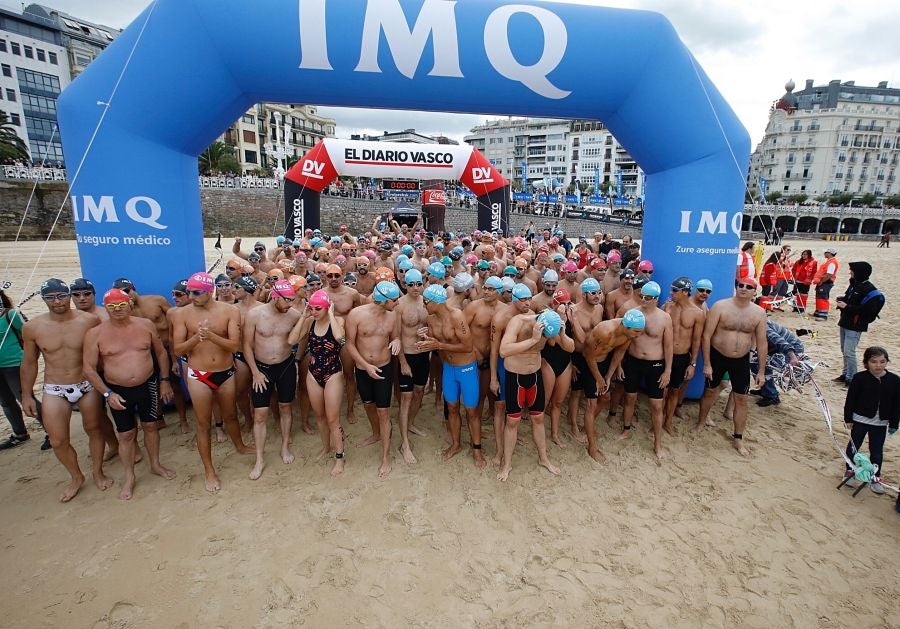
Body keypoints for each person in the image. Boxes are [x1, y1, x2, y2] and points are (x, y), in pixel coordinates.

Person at [20, 279, 118, 501]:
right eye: (51, 298)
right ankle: (76, 477)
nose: (57, 302)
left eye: (62, 296)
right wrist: (26, 394)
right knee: (57, 440)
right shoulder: (32, 327)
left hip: (85, 384)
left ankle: (97, 471)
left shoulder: (88, 321)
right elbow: (29, 362)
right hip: (55, 387)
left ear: (69, 296)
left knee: (93, 428)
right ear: (43, 299)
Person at [83, 289, 176, 500]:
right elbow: (88, 368)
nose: (117, 310)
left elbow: (160, 353)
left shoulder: (145, 326)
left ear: (130, 305)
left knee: (151, 426)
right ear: (105, 308)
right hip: (117, 390)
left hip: (148, 384)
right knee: (125, 434)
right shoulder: (95, 333)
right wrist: (107, 394)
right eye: (112, 307)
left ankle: (155, 464)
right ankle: (129, 476)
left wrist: (164, 381)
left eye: (121, 305)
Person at [171, 272, 252, 493]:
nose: (191, 296)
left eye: (196, 292)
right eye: (189, 292)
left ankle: (240, 446)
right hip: (199, 374)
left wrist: (211, 336)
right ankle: (209, 470)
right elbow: (178, 349)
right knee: (203, 423)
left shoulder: (230, 311)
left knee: (230, 415)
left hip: (225, 371)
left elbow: (235, 346)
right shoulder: (182, 314)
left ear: (209, 292)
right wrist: (197, 338)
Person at [694, 277, 767, 456]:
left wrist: (762, 371)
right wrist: (708, 363)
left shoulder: (759, 313)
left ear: (754, 292)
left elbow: (762, 342)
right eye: (740, 285)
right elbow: (706, 336)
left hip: (741, 359)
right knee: (710, 391)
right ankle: (701, 422)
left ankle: (738, 438)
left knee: (741, 399)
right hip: (718, 355)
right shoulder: (721, 306)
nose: (743, 288)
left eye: (748, 287)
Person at [418, 284, 485, 468]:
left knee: (471, 411)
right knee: (452, 408)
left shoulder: (457, 316)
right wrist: (425, 337)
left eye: (426, 302)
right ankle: (455, 444)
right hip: (449, 368)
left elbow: (467, 346)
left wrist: (439, 346)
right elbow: (435, 341)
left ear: (436, 302)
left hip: (466, 368)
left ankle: (477, 449)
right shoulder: (431, 319)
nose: (424, 305)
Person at [498, 287, 560, 481]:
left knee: (539, 418)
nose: (526, 303)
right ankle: (507, 464)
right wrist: (533, 339)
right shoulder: (517, 322)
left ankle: (544, 458)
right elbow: (504, 350)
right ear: (515, 300)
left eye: (529, 299)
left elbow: (558, 344)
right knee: (512, 421)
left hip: (534, 375)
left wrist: (561, 328)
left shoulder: (542, 321)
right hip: (515, 376)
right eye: (522, 299)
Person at [243, 279, 302, 480]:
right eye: (287, 301)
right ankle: (259, 458)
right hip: (262, 368)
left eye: (293, 301)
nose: (290, 305)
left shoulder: (293, 314)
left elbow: (303, 333)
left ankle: (285, 446)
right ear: (276, 297)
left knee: (286, 407)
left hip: (285, 366)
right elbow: (246, 346)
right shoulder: (255, 315)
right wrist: (255, 372)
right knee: (260, 414)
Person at [345, 281, 401, 477]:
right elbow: (350, 344)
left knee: (383, 412)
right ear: (383, 300)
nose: (398, 303)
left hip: (383, 368)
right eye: (395, 300)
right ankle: (376, 433)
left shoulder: (392, 316)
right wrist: (366, 366)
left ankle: (385, 456)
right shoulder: (356, 315)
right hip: (363, 369)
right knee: (369, 406)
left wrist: (396, 341)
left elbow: (396, 337)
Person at [289, 289, 346, 476]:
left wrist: (330, 314)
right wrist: (303, 316)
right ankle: (326, 447)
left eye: (318, 308)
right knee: (320, 416)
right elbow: (292, 340)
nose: (314, 311)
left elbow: (340, 339)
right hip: (313, 373)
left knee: (332, 418)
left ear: (327, 307)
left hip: (333, 373)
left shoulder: (338, 321)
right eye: (311, 308)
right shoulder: (308, 321)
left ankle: (340, 456)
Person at [617, 282, 673, 461]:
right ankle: (626, 429)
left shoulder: (664, 318)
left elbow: (668, 346)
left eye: (647, 298)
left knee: (657, 405)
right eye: (641, 296)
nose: (643, 300)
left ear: (656, 299)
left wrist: (668, 370)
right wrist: (618, 364)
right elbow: (622, 341)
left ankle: (657, 443)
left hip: (655, 364)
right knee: (629, 397)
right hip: (633, 361)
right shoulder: (633, 314)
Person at [842, 346, 899, 495]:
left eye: (882, 361)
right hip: (859, 420)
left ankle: (875, 477)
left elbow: (896, 404)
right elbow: (851, 400)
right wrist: (848, 418)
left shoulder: (894, 380)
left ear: (887, 362)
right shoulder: (859, 378)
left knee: (877, 452)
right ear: (866, 363)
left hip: (880, 424)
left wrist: (894, 423)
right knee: (854, 447)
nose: (878, 365)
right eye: (874, 362)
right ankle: (849, 471)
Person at [0, 287, 43, 450]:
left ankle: (52, 433)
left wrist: (29, 357)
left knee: (26, 397)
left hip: (14, 364)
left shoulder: (10, 314)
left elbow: (29, 332)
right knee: (6, 402)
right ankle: (20, 434)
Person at [395, 269, 430, 463]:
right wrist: (402, 363)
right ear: (405, 285)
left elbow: (433, 326)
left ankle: (410, 423)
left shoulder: (427, 302)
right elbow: (396, 336)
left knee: (419, 393)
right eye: (411, 284)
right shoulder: (399, 305)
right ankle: (404, 444)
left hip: (423, 356)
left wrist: (429, 331)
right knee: (406, 399)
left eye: (419, 283)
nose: (416, 288)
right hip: (407, 356)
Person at [662, 277, 704, 433]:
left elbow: (696, 340)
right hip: (664, 355)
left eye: (674, 290)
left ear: (685, 292)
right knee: (662, 391)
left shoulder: (697, 313)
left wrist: (692, 364)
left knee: (674, 390)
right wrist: (665, 313)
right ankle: (657, 422)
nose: (671, 293)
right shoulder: (667, 307)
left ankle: (668, 422)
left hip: (681, 357)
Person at [835, 261, 882, 385]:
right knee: (844, 350)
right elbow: (850, 299)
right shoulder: (855, 284)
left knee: (849, 352)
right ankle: (845, 374)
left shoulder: (869, 289)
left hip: (855, 325)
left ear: (860, 273)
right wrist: (842, 301)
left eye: (852, 270)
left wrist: (846, 306)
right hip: (845, 321)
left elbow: (866, 310)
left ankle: (852, 378)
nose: (850, 272)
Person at [748, 320, 804, 407]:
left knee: (763, 364)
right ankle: (765, 389)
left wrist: (793, 357)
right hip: (773, 348)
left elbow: (780, 342)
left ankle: (772, 396)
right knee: (754, 360)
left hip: (791, 348)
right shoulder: (750, 322)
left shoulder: (763, 326)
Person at [812, 247, 839, 320]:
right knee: (819, 297)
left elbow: (829, 274)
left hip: (826, 282)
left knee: (823, 298)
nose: (824, 254)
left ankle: (823, 315)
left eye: (826, 252)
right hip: (824, 282)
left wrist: (821, 281)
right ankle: (818, 312)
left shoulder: (832, 262)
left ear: (830, 253)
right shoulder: (830, 261)